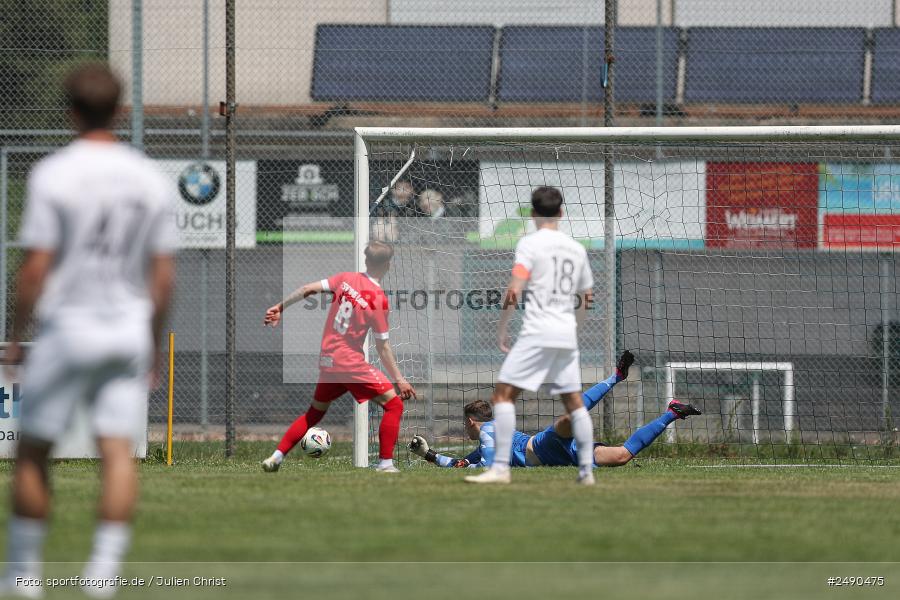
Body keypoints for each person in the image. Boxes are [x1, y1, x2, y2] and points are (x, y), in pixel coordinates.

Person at [0, 63, 177, 598]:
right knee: (117, 449)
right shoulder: (149, 177)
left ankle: (24, 573)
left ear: (70, 111)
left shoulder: (54, 172)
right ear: (120, 109)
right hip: (125, 329)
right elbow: (163, 278)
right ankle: (102, 571)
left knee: (33, 450)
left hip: (69, 326)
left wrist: (15, 334)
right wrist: (151, 343)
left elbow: (34, 268)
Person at [465, 186, 595, 485]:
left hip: (537, 331)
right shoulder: (576, 248)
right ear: (561, 213)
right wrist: (574, 328)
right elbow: (587, 297)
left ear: (534, 214)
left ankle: (500, 469)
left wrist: (502, 328)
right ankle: (586, 472)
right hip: (565, 334)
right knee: (574, 403)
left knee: (503, 396)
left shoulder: (530, 243)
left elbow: (514, 290)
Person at [261, 240, 416, 473]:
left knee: (314, 413)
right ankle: (385, 464)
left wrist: (280, 307)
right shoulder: (378, 299)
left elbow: (306, 289)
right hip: (350, 363)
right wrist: (400, 378)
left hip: (328, 360)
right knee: (394, 405)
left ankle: (276, 457)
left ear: (366, 260)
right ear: (388, 265)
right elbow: (382, 347)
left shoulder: (345, 279)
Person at [410, 351, 701, 469]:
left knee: (571, 416)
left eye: (465, 425)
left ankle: (616, 376)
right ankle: (673, 412)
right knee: (623, 456)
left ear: (472, 422)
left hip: (543, 446)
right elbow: (463, 463)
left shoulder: (488, 431)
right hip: (564, 455)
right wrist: (429, 455)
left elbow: (486, 466)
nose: (465, 430)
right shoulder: (491, 436)